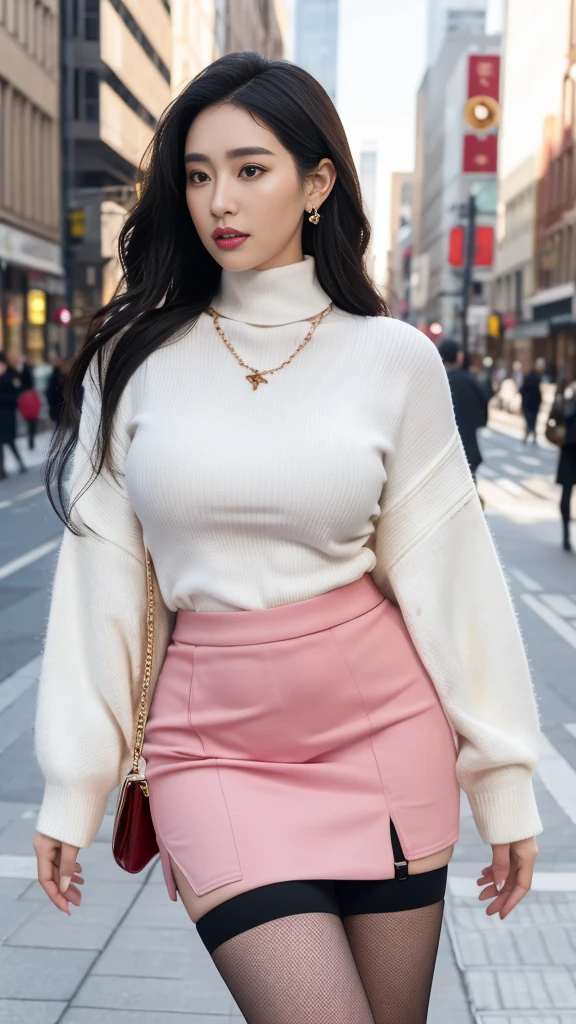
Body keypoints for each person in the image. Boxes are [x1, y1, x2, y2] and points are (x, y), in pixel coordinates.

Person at [32, 53, 543, 1024]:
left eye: (250, 168)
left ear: (317, 183)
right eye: (196, 172)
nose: (218, 198)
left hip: (384, 740)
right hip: (211, 752)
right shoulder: (134, 362)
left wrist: (504, 779)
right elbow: (97, 584)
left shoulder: (392, 359)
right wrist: (75, 784)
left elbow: (452, 571)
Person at [438, 338, 488, 485]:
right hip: (469, 451)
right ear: (459, 357)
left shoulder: (437, 381)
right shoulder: (470, 381)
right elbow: (483, 408)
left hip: (442, 456)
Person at [553, 379, 576, 552]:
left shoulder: (568, 391)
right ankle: (565, 534)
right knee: (566, 493)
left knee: (566, 493)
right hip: (569, 449)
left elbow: (558, 415)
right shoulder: (568, 391)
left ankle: (566, 534)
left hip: (568, 448)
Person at [0, 351, 27, 479]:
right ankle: (1, 470)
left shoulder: (12, 375)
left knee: (10, 441)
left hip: (8, 413)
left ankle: (20, 462)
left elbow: (17, 394)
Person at [519, 360, 545, 443]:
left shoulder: (533, 378)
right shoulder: (533, 378)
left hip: (531, 403)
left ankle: (530, 435)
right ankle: (530, 435)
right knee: (530, 421)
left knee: (530, 421)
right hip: (530, 403)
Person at [47, 357, 70, 427]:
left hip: (66, 410)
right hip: (58, 409)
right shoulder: (55, 378)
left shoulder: (68, 377)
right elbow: (50, 394)